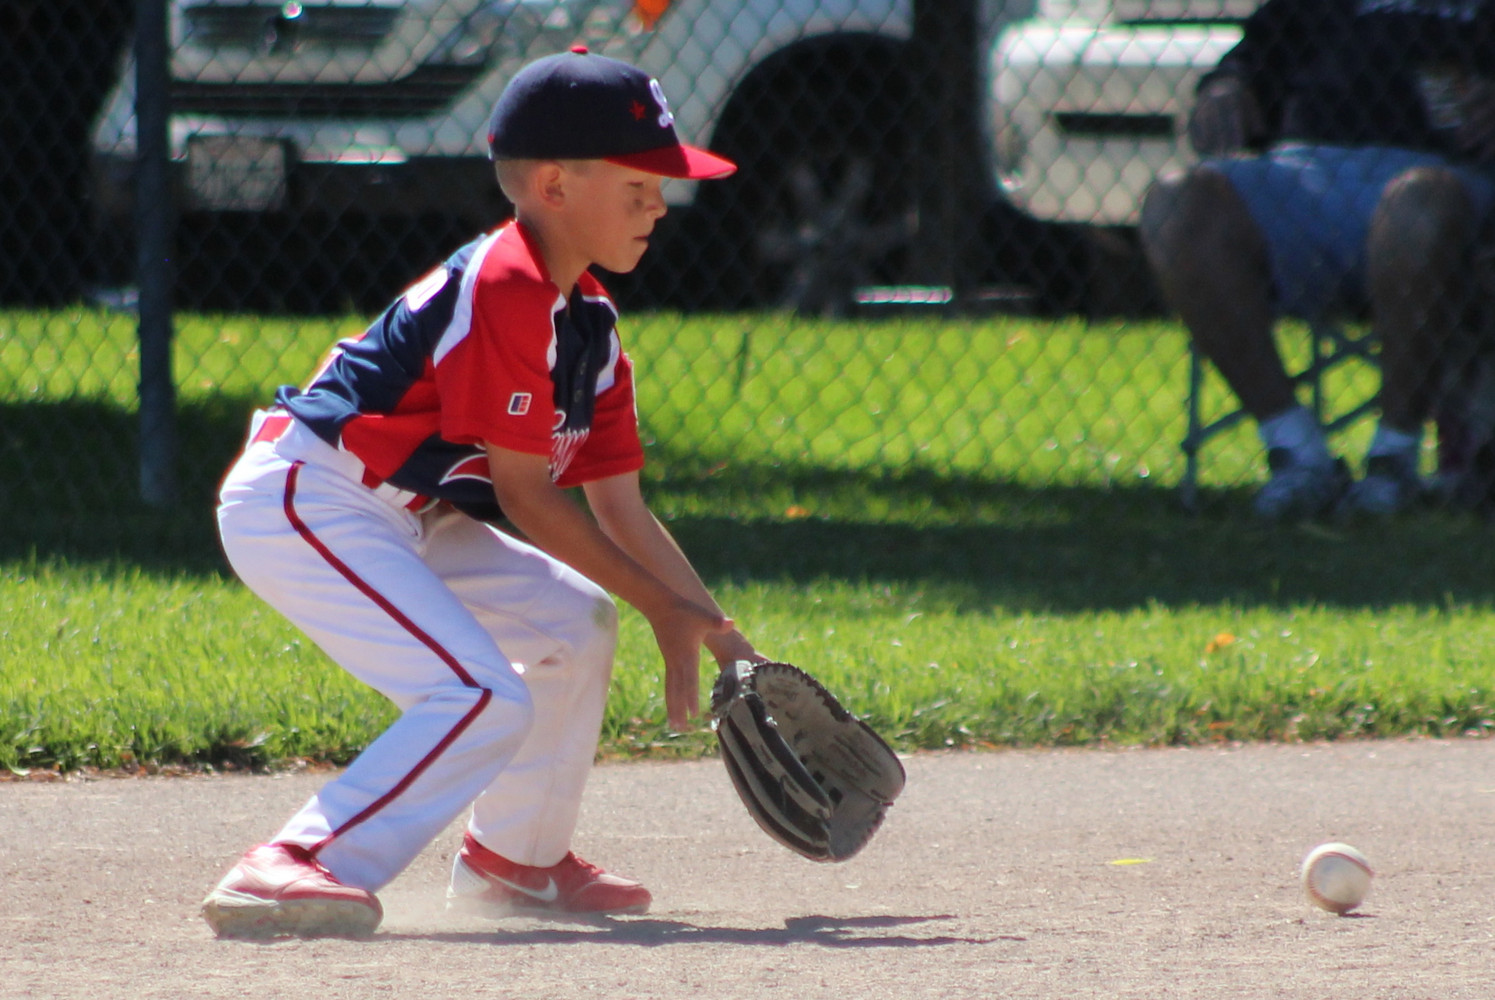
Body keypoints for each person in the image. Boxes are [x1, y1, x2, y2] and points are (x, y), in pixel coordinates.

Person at [201, 47, 763, 939]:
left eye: (662, 184)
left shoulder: (588, 324)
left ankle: (515, 862)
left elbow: (619, 508)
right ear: (553, 186)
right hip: (311, 498)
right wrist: (661, 606)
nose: (659, 202)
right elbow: (531, 500)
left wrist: (718, 633)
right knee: (476, 694)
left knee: (574, 622)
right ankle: (294, 861)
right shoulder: (505, 286)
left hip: (408, 514)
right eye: (637, 183)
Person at [1140, 0, 1495, 519]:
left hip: (1443, 179)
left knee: (1420, 202)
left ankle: (1393, 461)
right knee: (1177, 202)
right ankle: (1296, 453)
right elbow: (1253, 55)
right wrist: (1225, 88)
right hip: (1301, 172)